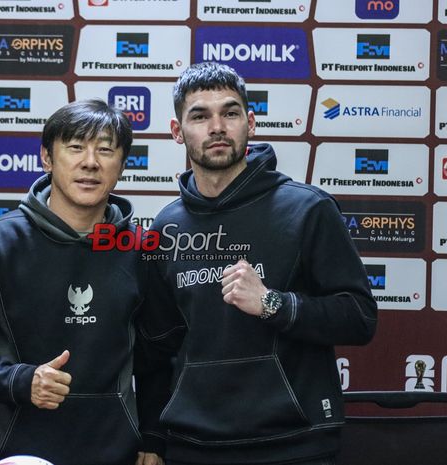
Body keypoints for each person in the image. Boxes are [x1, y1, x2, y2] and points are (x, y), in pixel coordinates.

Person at [136, 63, 378, 465]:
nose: (217, 127)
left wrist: (272, 304)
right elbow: (157, 348)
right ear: (177, 132)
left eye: (230, 113)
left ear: (250, 123)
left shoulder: (306, 209)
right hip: (193, 446)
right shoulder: (167, 227)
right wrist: (152, 436)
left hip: (295, 443)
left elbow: (359, 317)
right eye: (200, 116)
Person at [0, 99, 164, 465]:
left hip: (113, 450)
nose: (90, 162)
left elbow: (156, 358)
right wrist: (21, 382)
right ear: (46, 157)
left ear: (121, 165)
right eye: (75, 147)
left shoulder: (140, 250)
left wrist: (152, 438)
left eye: (105, 150)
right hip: (10, 450)